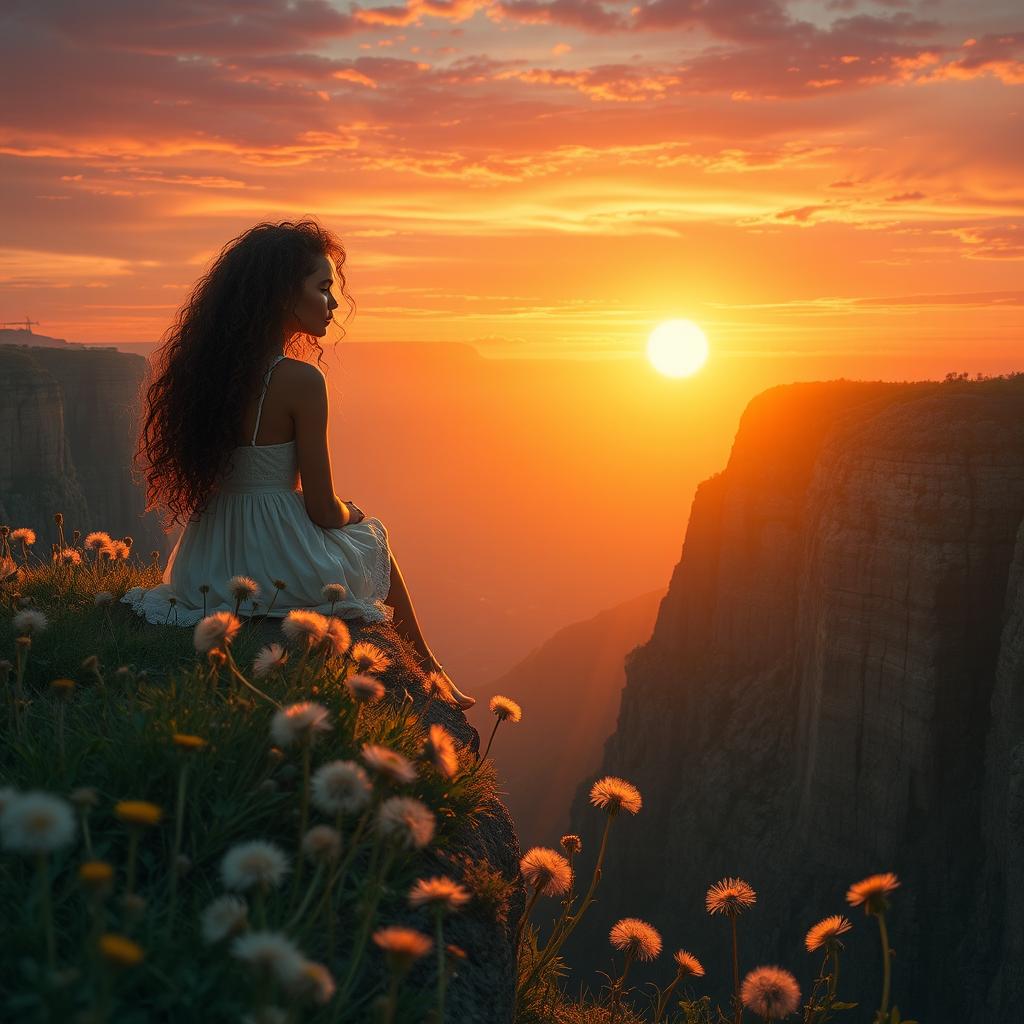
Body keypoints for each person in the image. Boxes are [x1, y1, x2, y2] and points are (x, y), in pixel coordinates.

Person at [122, 217, 476, 710]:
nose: (333, 303)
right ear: (284, 294)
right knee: (374, 535)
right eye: (323, 287)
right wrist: (353, 514)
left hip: (204, 561)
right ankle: (433, 672)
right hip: (275, 558)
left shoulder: (205, 376)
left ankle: (435, 672)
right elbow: (322, 509)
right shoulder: (300, 380)